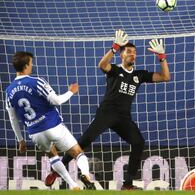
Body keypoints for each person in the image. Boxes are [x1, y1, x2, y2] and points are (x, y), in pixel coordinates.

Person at [45, 29, 171, 190]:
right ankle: (56, 171)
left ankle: (127, 184)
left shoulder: (139, 75)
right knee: (83, 142)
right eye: (129, 52)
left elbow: (166, 77)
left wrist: (162, 57)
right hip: (106, 114)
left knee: (139, 143)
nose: (133, 55)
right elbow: (102, 65)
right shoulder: (115, 70)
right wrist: (115, 47)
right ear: (122, 55)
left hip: (123, 118)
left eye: (134, 53)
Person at [5, 51, 96, 190]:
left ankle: (73, 186)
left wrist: (20, 140)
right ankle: (85, 175)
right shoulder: (36, 82)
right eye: (31, 63)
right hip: (53, 126)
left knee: (53, 156)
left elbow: (12, 118)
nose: (32, 65)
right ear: (26, 66)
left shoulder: (9, 91)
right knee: (78, 153)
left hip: (35, 133)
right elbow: (57, 101)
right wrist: (71, 91)